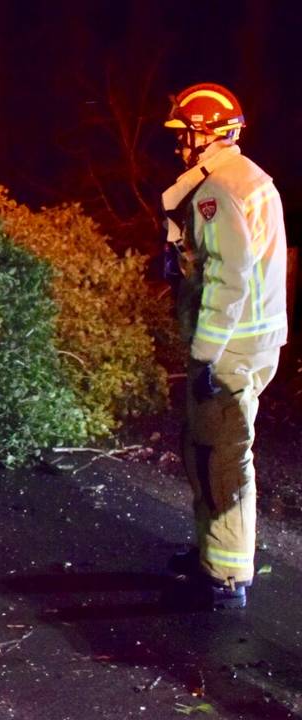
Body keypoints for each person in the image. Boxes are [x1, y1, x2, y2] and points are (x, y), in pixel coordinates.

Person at [160, 82, 288, 609]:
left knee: (222, 457)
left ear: (204, 133)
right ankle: (214, 553)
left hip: (231, 346)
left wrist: (205, 354)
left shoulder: (218, 190)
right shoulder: (246, 176)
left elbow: (226, 277)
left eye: (183, 134)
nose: (179, 144)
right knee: (208, 446)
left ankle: (227, 576)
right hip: (252, 340)